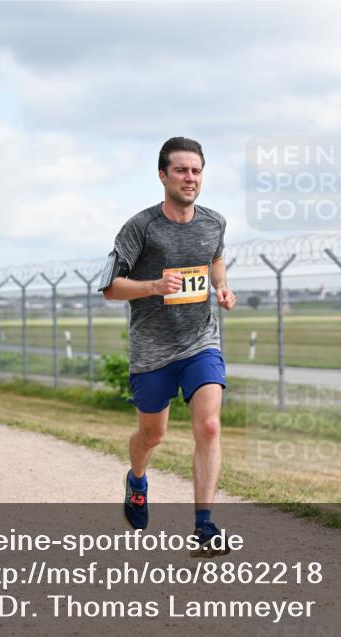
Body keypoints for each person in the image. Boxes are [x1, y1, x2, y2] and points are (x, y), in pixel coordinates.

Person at [99, 137, 236, 556]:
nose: (189, 178)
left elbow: (214, 258)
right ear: (163, 175)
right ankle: (137, 479)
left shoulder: (214, 222)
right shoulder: (139, 228)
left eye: (196, 170)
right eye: (181, 170)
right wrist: (153, 285)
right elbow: (109, 287)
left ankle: (205, 527)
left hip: (200, 342)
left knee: (209, 426)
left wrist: (223, 288)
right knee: (151, 434)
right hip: (152, 350)